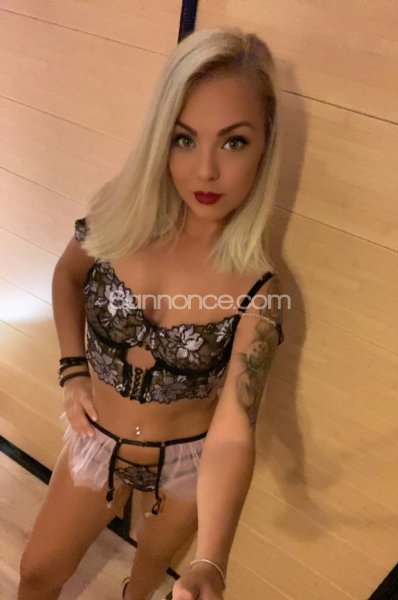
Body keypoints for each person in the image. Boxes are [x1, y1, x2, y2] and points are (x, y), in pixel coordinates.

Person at [18, 25, 285, 600]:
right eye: (184, 138)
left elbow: (235, 428)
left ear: (265, 147)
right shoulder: (118, 217)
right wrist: (72, 372)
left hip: (189, 465)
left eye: (234, 142)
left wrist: (212, 561)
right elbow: (67, 276)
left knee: (145, 583)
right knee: (37, 574)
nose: (205, 171)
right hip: (97, 440)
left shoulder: (258, 290)